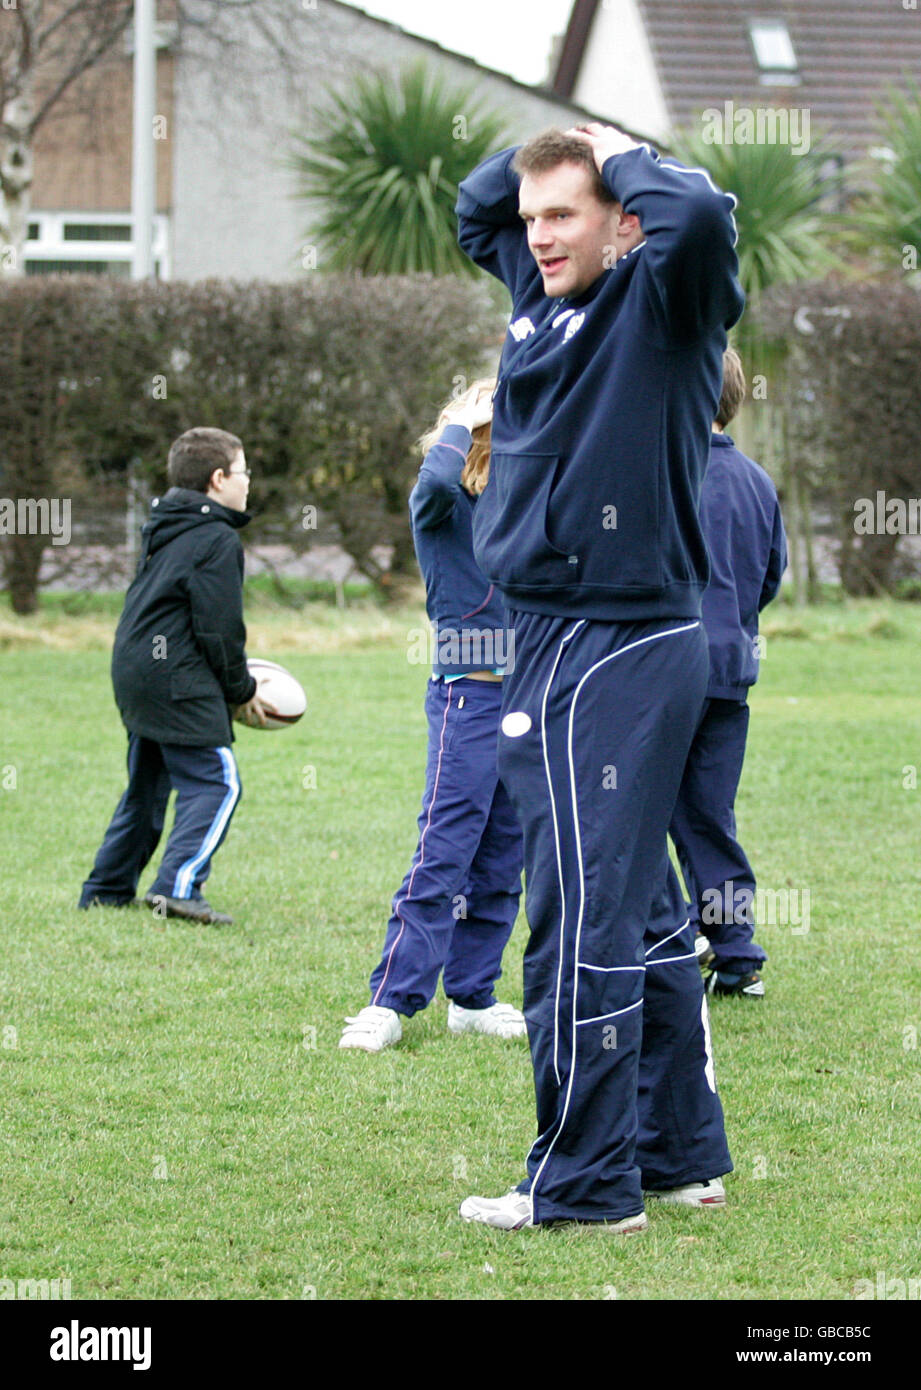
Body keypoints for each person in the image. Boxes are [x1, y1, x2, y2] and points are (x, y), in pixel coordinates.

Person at [454, 124, 745, 1231]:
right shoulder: (541, 290)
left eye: (564, 215)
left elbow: (705, 216)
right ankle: (676, 1156)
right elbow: (478, 209)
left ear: (625, 221)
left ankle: (582, 1186)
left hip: (611, 643)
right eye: (534, 221)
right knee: (644, 912)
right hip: (563, 638)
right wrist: (557, 141)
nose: (537, 237)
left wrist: (621, 152)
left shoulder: (663, 304)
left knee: (580, 916)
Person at [339, 381, 526, 1052]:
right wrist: (459, 419)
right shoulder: (441, 504)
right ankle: (389, 1000)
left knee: (505, 852)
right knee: (446, 847)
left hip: (527, 698)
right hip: (466, 697)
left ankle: (472, 996)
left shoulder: (520, 506)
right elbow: (438, 480)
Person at [77, 427, 271, 927]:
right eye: (244, 471)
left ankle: (105, 890)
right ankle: (177, 889)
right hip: (174, 677)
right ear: (218, 478)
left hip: (136, 670)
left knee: (147, 785)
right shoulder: (215, 537)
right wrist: (241, 690)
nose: (248, 482)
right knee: (218, 783)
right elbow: (219, 629)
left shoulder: (167, 523)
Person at [670, 347, 788, 998]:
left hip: (662, 666)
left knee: (638, 807)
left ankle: (658, 939)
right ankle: (734, 950)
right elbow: (767, 575)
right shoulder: (757, 481)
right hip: (730, 667)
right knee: (708, 813)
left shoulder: (664, 474)